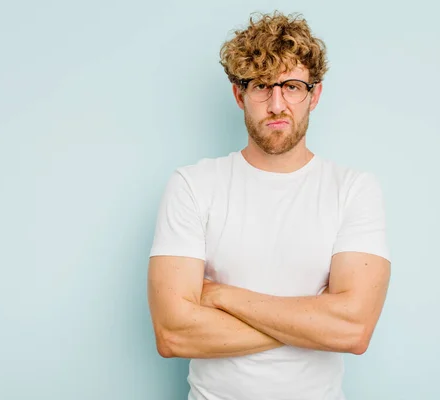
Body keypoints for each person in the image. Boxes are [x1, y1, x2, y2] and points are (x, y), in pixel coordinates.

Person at [147, 11, 391, 400]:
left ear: (315, 94)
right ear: (239, 94)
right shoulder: (193, 185)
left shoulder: (353, 189)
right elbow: (173, 334)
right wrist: (314, 321)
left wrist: (221, 297)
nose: (277, 104)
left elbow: (353, 330)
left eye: (292, 86)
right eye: (262, 85)